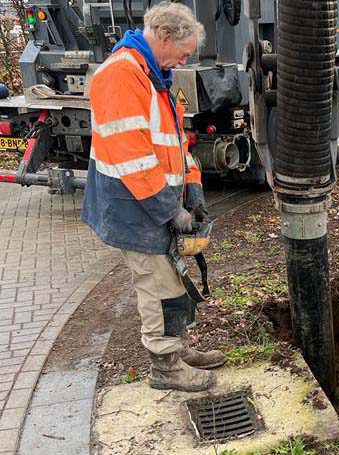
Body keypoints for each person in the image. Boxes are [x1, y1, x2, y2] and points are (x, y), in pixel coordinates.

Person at [82, 2, 224, 392]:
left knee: (174, 280)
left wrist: (192, 187)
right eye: (183, 51)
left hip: (152, 202)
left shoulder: (153, 75)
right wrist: (171, 210)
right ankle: (166, 368)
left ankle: (178, 349)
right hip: (134, 208)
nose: (186, 59)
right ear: (163, 38)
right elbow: (134, 160)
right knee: (158, 287)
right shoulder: (122, 76)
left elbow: (175, 143)